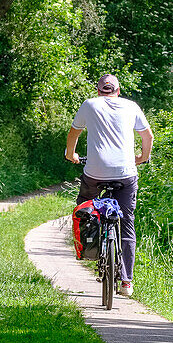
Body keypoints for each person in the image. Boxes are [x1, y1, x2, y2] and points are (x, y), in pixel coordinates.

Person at [65, 74, 152, 297]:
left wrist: (71, 155)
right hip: (126, 174)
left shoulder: (89, 105)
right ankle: (126, 282)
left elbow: (74, 132)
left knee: (85, 207)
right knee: (127, 222)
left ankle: (88, 250)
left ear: (98, 91)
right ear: (118, 91)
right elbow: (147, 136)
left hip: (95, 172)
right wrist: (141, 157)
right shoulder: (131, 106)